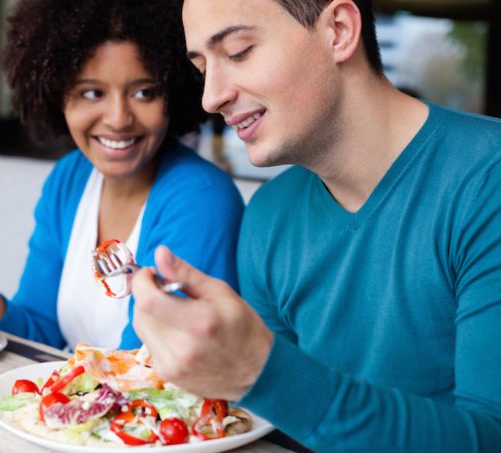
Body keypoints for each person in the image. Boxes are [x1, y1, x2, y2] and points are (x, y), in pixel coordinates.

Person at [131, 0, 501, 451]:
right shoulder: (268, 217)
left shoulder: (488, 180)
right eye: (203, 67)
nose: (211, 96)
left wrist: (261, 372)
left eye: (239, 51)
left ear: (339, 31)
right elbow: (277, 433)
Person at [0, 0, 244, 351]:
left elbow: (151, 368)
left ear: (174, 94)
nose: (117, 119)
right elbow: (35, 334)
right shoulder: (70, 180)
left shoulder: (200, 199)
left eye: (144, 93)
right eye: (92, 93)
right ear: (56, 96)